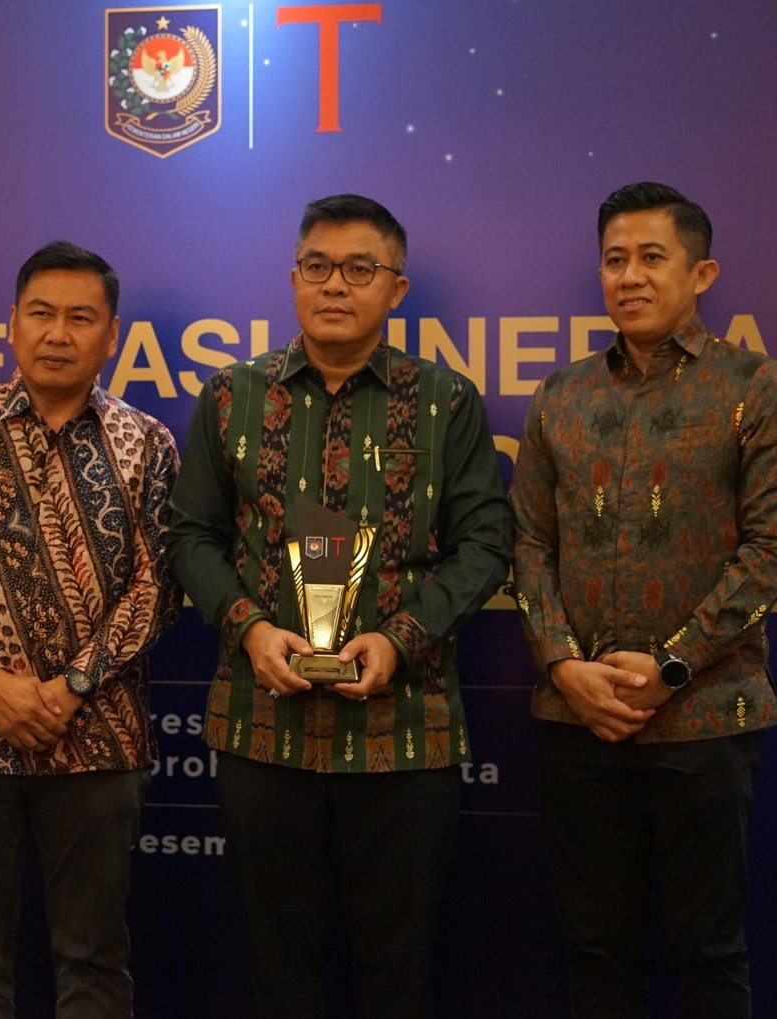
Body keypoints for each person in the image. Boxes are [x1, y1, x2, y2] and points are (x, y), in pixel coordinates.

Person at [167, 194, 514, 1018]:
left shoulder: (447, 401)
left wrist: (401, 638)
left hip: (403, 732)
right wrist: (250, 628)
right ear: (293, 278)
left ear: (397, 288)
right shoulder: (231, 395)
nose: (335, 285)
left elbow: (486, 544)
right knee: (277, 964)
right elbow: (190, 536)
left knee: (398, 968)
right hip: (263, 726)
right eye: (317, 266)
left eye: (361, 269)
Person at [510, 181, 777, 1017]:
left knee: (707, 952)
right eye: (615, 260)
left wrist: (671, 666)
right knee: (595, 951)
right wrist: (564, 665)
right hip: (578, 718)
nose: (630, 276)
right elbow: (527, 546)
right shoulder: (561, 396)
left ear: (701, 273)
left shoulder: (755, 384)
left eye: (652, 257)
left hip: (705, 718)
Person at [0, 240, 179, 1018]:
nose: (58, 333)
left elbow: (158, 586)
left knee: (94, 959)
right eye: (42, 314)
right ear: (12, 323)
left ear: (111, 335)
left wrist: (73, 685)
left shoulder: (147, 442)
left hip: (98, 741)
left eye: (80, 318)